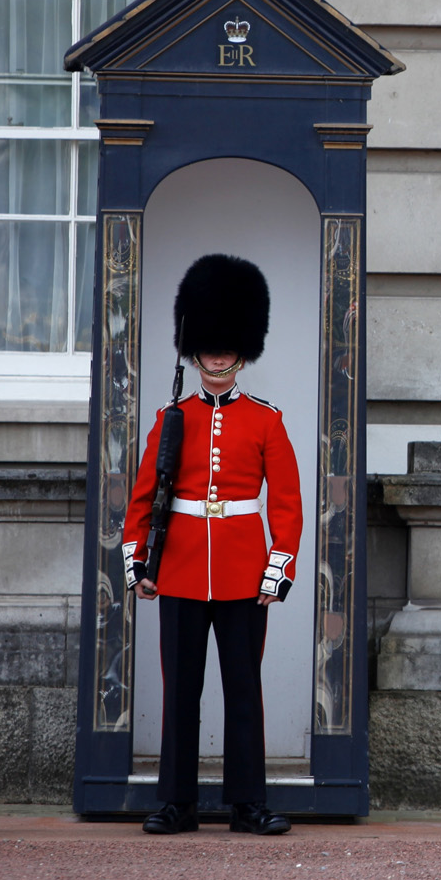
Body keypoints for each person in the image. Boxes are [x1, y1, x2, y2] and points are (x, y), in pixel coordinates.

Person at [121, 253, 302, 837]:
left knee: (243, 692)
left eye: (228, 346)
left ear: (243, 351)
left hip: (243, 574)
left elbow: (286, 506)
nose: (219, 356)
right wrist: (139, 562)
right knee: (183, 693)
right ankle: (178, 802)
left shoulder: (266, 421)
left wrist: (278, 568)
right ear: (194, 349)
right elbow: (144, 498)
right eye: (210, 346)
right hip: (178, 571)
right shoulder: (170, 417)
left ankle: (248, 804)